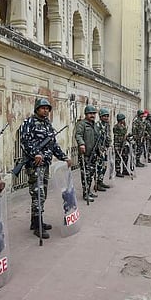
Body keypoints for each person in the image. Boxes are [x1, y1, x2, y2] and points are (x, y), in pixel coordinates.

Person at [19, 98, 71, 237]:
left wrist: (64, 157)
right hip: (34, 165)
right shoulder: (29, 122)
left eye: (47, 108)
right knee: (38, 195)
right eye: (43, 108)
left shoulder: (48, 124)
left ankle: (35, 222)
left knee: (42, 194)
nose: (45, 110)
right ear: (37, 109)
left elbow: (53, 145)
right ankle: (38, 226)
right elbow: (24, 141)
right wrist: (35, 153)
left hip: (45, 164)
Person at [75, 105, 100, 203]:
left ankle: (89, 191)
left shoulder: (95, 125)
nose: (92, 115)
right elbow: (78, 135)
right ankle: (85, 194)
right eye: (90, 113)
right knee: (86, 174)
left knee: (91, 173)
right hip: (85, 154)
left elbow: (97, 137)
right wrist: (81, 144)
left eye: (94, 113)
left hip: (93, 153)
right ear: (86, 114)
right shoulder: (82, 124)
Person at [94, 108, 113, 191]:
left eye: (107, 116)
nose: (106, 117)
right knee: (99, 167)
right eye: (104, 116)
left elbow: (108, 136)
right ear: (100, 116)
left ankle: (100, 181)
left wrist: (109, 143)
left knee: (104, 166)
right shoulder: (97, 125)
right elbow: (95, 138)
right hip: (99, 150)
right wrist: (99, 149)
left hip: (105, 149)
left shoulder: (107, 125)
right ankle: (97, 184)